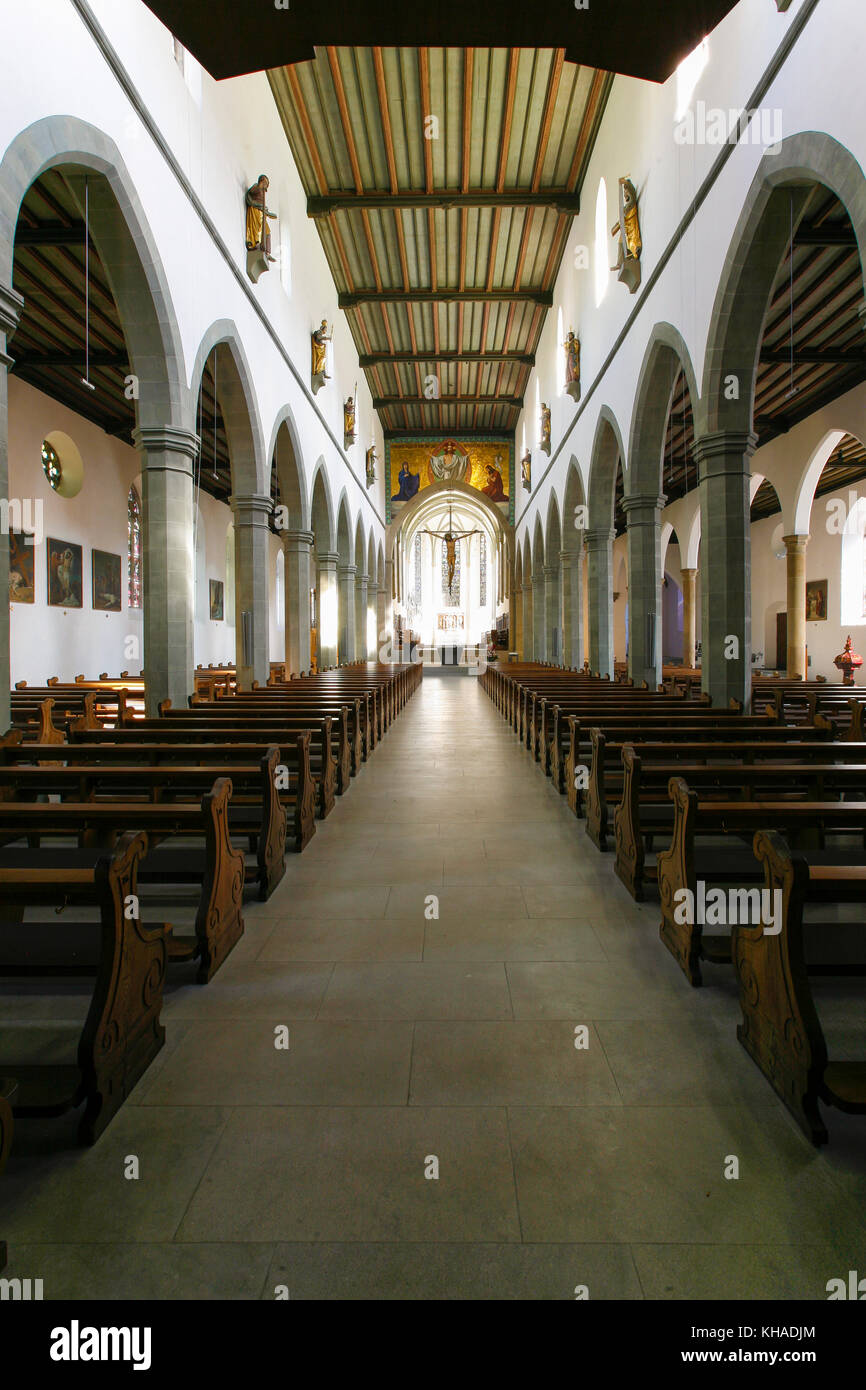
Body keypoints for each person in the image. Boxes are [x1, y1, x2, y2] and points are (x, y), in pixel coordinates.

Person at [245, 175, 277, 261]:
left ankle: (267, 252)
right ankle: (256, 243)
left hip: (262, 212)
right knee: (258, 228)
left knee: (267, 231)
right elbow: (250, 193)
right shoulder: (256, 187)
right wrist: (260, 186)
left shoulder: (263, 191)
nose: (266, 187)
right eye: (266, 183)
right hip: (256, 211)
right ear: (262, 181)